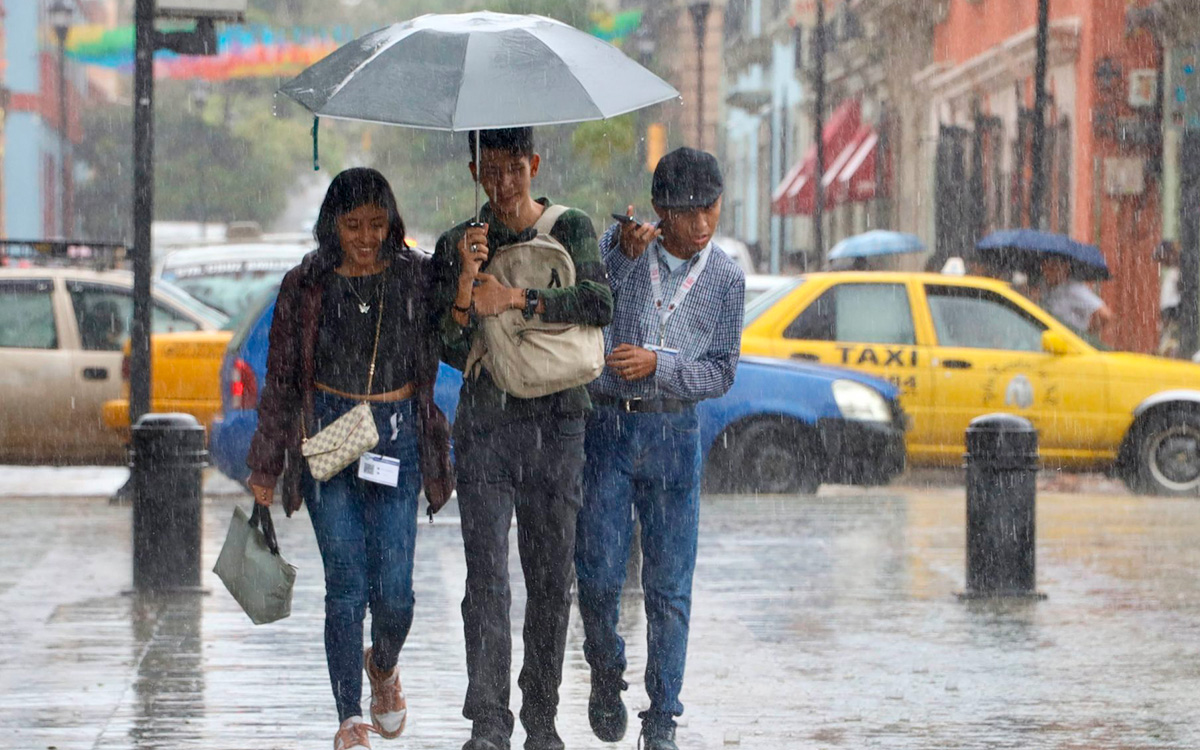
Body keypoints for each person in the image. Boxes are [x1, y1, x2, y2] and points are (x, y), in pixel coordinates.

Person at [246, 168, 454, 750]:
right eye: (353, 225)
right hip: (329, 440)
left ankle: (382, 665)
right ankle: (348, 718)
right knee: (346, 586)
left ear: (393, 223)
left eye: (377, 224)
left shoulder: (417, 276)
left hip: (396, 436)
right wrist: (265, 468)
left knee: (396, 592)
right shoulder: (306, 284)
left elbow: (459, 324)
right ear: (332, 225)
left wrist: (466, 270)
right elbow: (281, 380)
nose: (366, 237)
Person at [432, 127, 613, 750]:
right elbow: (450, 350)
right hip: (486, 424)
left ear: (533, 165)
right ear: (475, 170)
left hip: (560, 421)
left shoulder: (573, 227)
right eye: (490, 169)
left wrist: (517, 297)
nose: (504, 183)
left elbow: (598, 304)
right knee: (485, 577)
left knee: (549, 575)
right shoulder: (459, 242)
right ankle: (488, 720)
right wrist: (464, 285)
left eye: (515, 169)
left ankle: (541, 715)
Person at [575, 147, 746, 750]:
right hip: (608, 429)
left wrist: (661, 365)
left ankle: (662, 718)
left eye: (711, 209)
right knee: (595, 574)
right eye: (687, 211)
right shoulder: (618, 250)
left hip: (676, 435)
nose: (701, 224)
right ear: (659, 210)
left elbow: (722, 372)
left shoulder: (725, 278)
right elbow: (590, 311)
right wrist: (620, 261)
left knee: (670, 585)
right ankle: (604, 668)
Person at [1039, 255, 1113, 340]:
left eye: (1052, 267)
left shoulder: (1074, 289)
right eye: (1044, 267)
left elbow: (1105, 314)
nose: (1046, 272)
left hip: (1067, 343)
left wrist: (1085, 334)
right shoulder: (1044, 286)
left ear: (1065, 268)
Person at [1154, 240, 1181, 357]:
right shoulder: (1173, 273)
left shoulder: (1179, 274)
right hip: (1170, 321)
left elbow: (1175, 304)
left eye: (1163, 259)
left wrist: (1168, 320)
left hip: (1173, 322)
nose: (1163, 263)